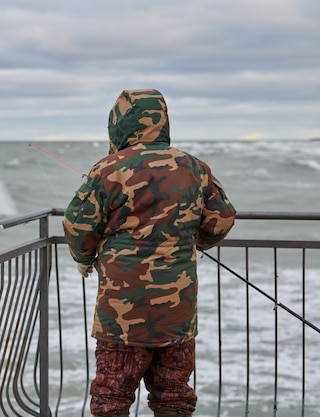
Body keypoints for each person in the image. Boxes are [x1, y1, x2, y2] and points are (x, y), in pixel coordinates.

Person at [62, 89, 236, 417]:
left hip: (120, 314)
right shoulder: (195, 168)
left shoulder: (107, 169)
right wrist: (193, 241)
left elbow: (77, 228)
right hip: (177, 312)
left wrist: (85, 260)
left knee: (111, 395)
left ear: (119, 125)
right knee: (173, 393)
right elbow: (222, 219)